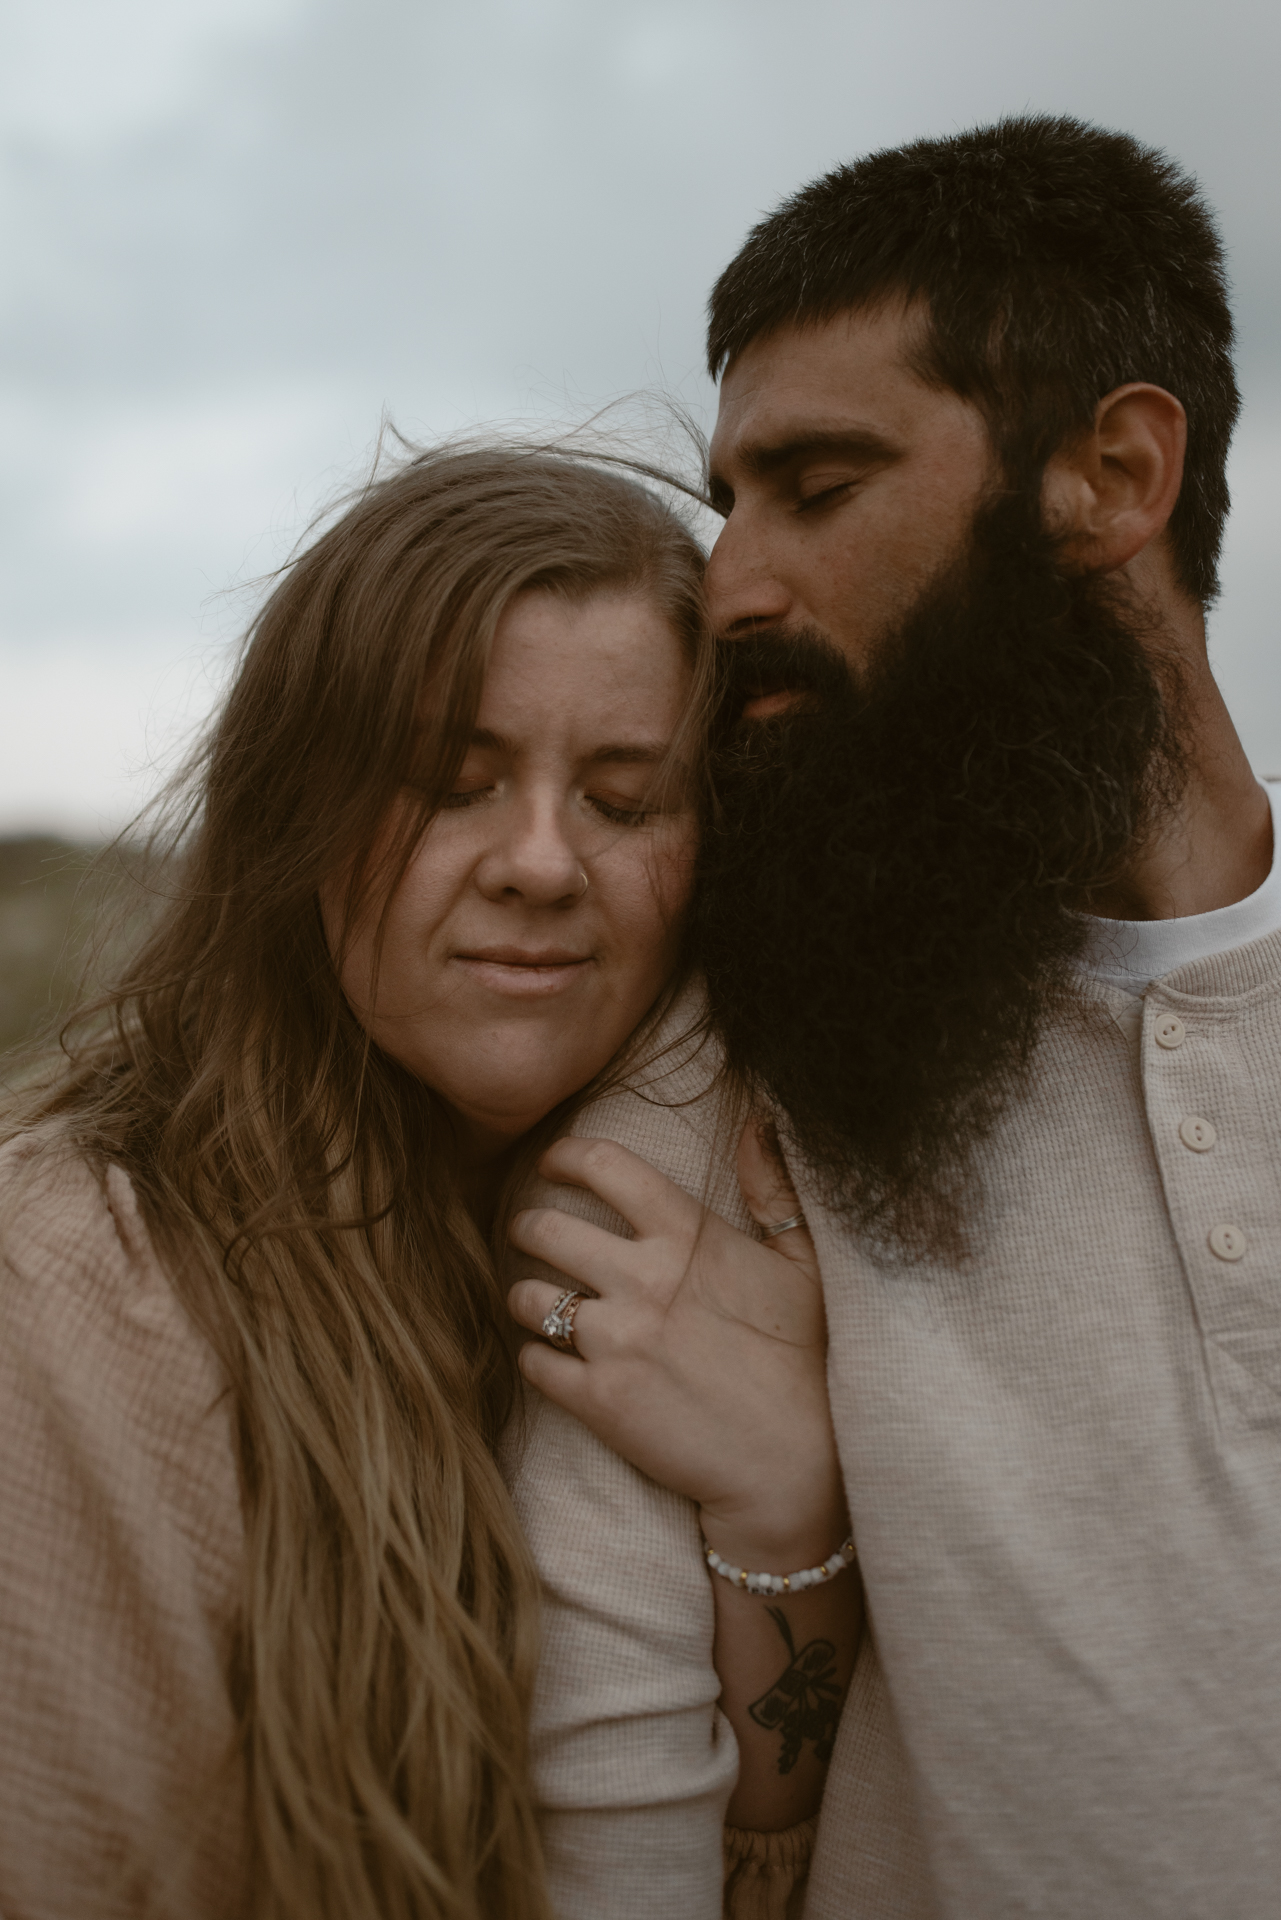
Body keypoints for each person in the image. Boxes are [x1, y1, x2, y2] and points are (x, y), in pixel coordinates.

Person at [507, 116, 1281, 1917]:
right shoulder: (711, 1119)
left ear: (1112, 470)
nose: (730, 587)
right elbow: (610, 1847)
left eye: (819, 486)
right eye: (728, 506)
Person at [0, 442, 848, 1920]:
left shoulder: (748, 1219)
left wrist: (783, 1517)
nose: (538, 860)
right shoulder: (82, 1284)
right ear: (293, 818)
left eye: (623, 796)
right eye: (451, 785)